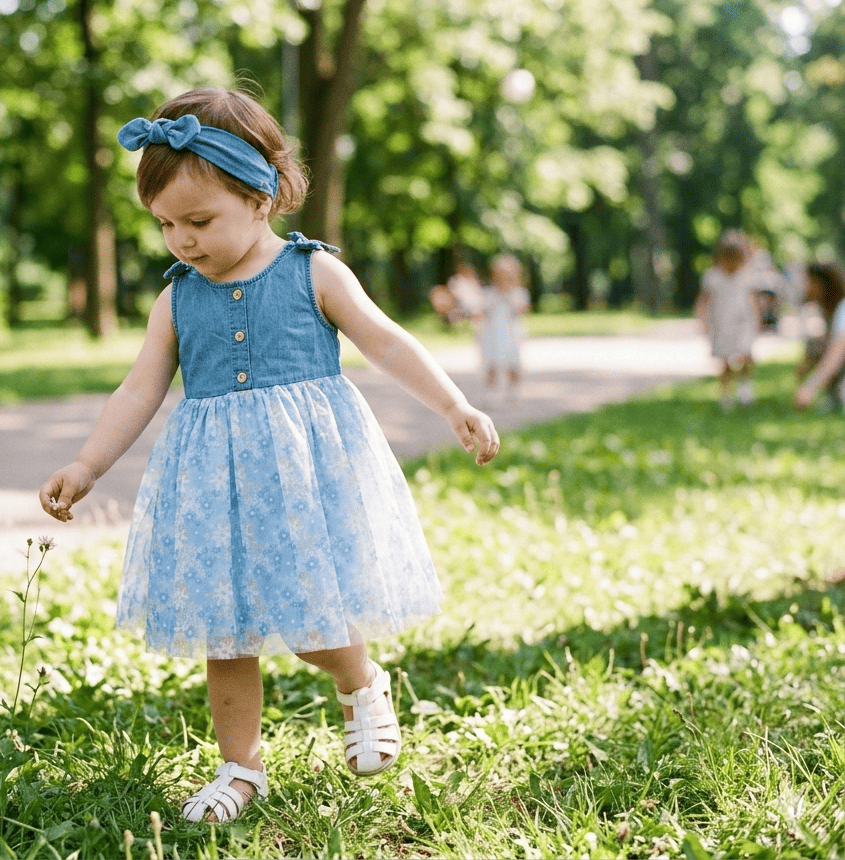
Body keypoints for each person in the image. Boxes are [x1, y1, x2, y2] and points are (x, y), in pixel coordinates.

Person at [38, 88, 500, 824]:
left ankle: (360, 682)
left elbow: (385, 340)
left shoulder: (313, 273)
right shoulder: (176, 299)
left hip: (305, 474)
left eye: (199, 221)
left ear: (261, 197)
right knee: (226, 629)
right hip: (213, 484)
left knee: (313, 613)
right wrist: (88, 464)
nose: (182, 241)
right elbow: (139, 389)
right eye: (164, 225)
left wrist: (454, 405)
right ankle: (239, 766)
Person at [695, 230, 761, 410]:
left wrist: (758, 321)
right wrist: (702, 320)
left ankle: (744, 387)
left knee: (746, 354)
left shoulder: (747, 275)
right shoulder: (713, 276)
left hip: (743, 322)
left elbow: (754, 301)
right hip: (722, 323)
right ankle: (725, 395)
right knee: (725, 361)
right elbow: (703, 301)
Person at [475, 254, 530, 404]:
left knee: (514, 362)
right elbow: (482, 312)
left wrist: (508, 295)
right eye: (500, 273)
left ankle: (514, 388)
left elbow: (522, 310)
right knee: (491, 362)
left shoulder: (519, 293)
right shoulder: (488, 293)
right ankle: (491, 391)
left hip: (511, 332)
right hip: (492, 333)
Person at [793, 261, 845, 412]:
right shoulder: (830, 310)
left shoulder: (843, 308)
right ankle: (835, 395)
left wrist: (809, 388)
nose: (805, 286)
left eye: (809, 281)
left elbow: (836, 353)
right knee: (817, 344)